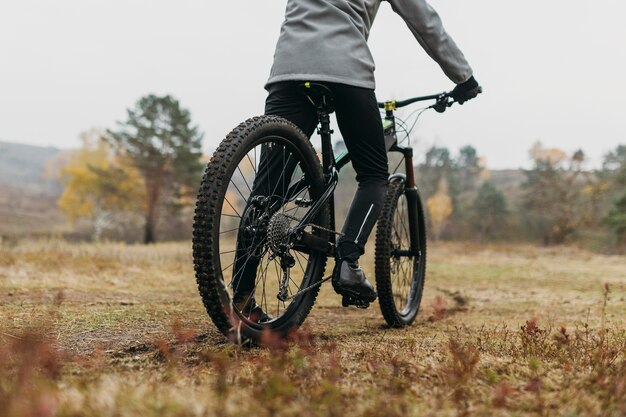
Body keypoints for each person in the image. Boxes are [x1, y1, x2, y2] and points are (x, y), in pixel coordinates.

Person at [234, 0, 481, 318]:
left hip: (289, 70)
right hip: (346, 73)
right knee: (375, 174)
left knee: (265, 191)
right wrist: (464, 77)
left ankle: (240, 301)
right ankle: (348, 261)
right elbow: (425, 21)